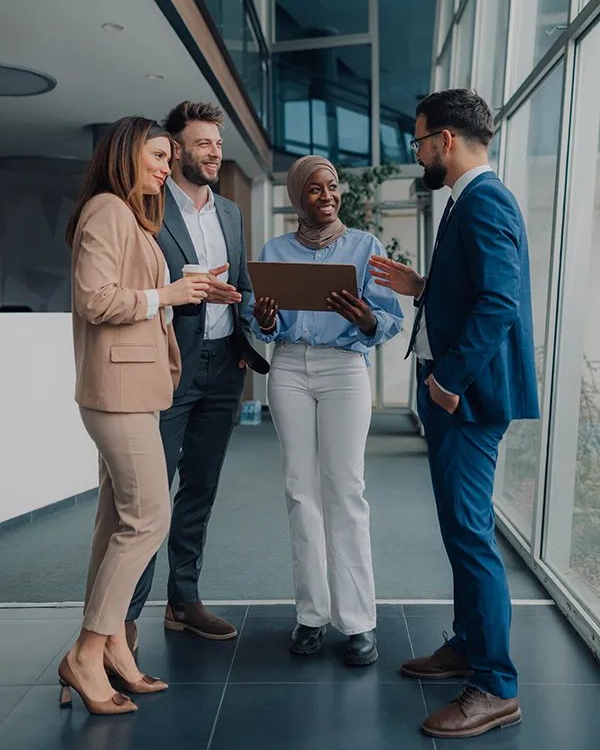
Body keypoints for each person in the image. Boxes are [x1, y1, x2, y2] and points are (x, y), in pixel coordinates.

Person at [370, 89, 539, 739]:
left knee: (470, 536)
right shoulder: (466, 199)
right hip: (453, 394)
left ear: (444, 140)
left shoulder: (485, 199)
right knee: (458, 530)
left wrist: (448, 380)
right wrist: (423, 287)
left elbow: (500, 301)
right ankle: (468, 643)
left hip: (465, 397)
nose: (416, 153)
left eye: (417, 142)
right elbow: (474, 288)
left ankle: (495, 684)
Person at [62, 116, 209, 715]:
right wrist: (165, 296)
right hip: (116, 391)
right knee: (149, 516)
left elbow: (138, 296)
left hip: (137, 388)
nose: (165, 166)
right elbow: (95, 299)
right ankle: (86, 652)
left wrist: (182, 288)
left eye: (169, 157)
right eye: (156, 155)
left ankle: (115, 646)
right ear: (124, 154)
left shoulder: (132, 217)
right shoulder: (106, 209)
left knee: (115, 520)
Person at [125, 101, 268, 651]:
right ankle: (126, 619)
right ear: (177, 149)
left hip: (224, 365)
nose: (215, 152)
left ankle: (183, 601)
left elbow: (247, 288)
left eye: (218, 143)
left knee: (200, 490)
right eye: (204, 143)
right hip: (167, 366)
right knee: (148, 498)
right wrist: (183, 296)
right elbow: (139, 283)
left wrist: (248, 310)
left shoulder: (230, 213)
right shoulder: (148, 209)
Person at [251, 155, 403, 666]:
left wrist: (365, 317)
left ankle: (358, 621)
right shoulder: (275, 250)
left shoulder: (365, 247)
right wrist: (266, 320)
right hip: (290, 367)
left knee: (346, 488)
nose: (327, 196)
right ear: (299, 198)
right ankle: (311, 616)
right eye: (315, 190)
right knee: (300, 490)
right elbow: (264, 326)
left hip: (344, 369)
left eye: (332, 187)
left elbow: (389, 319)